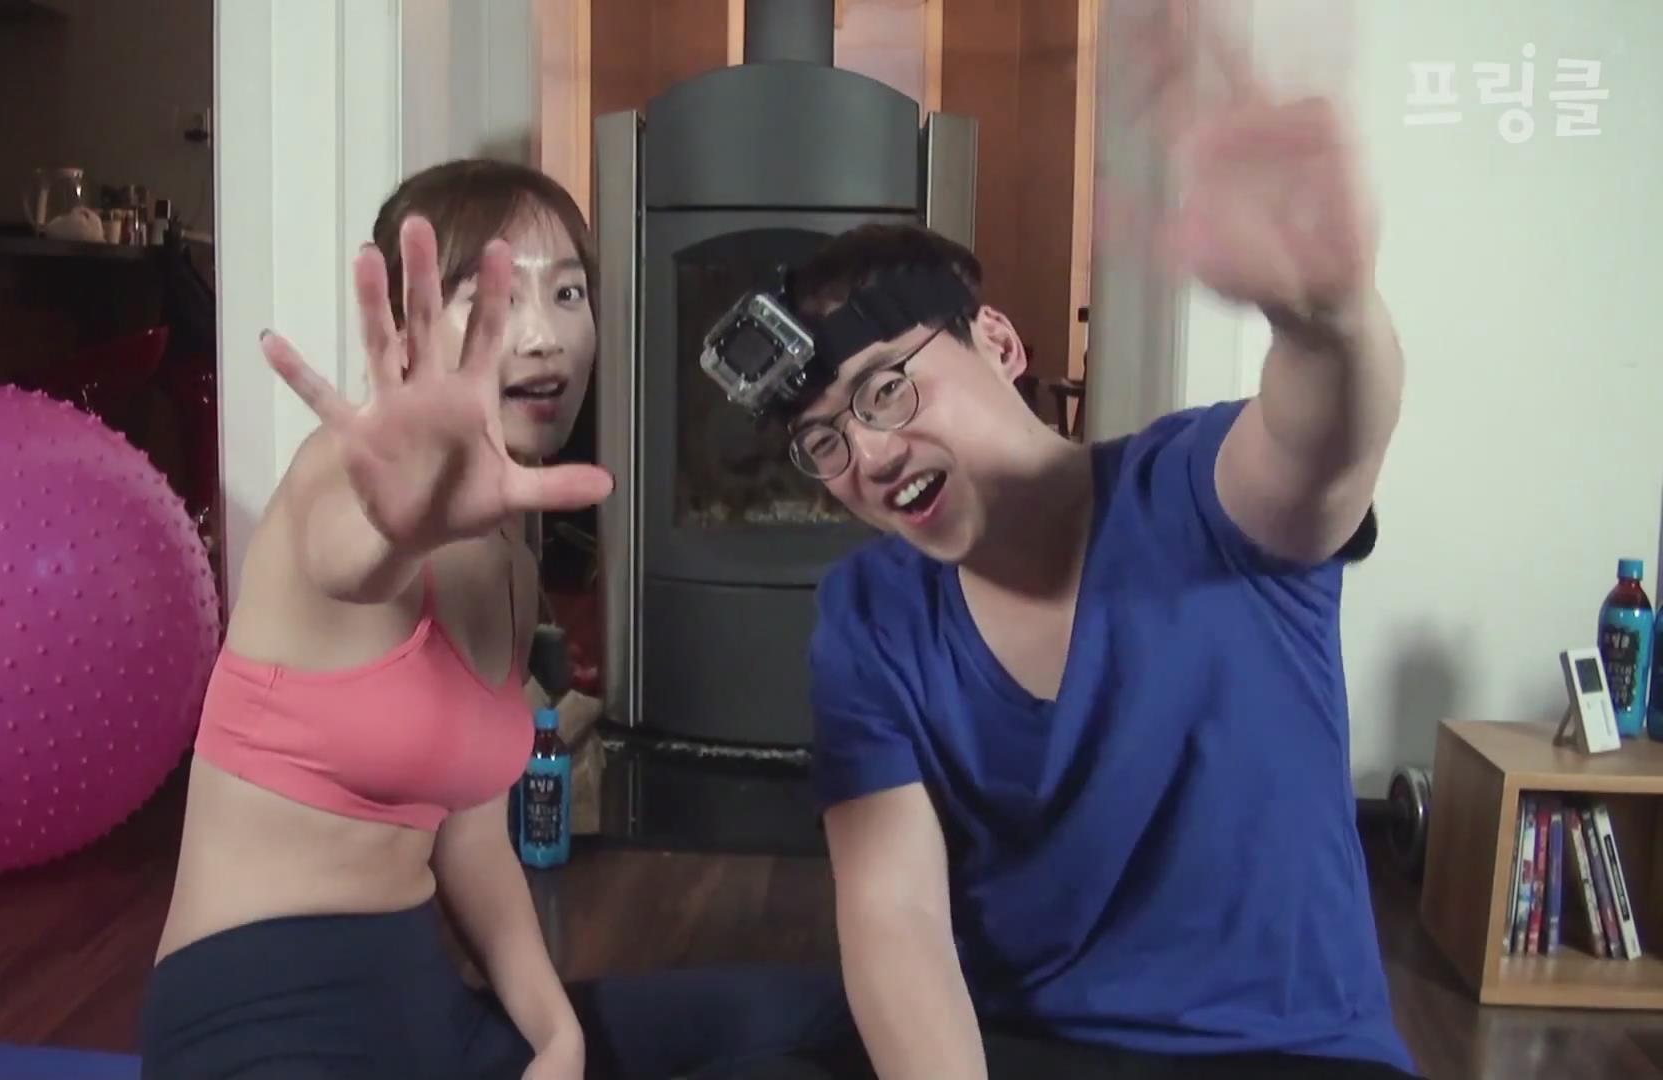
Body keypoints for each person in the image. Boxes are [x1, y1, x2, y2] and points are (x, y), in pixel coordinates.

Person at [692, 9, 1417, 1080]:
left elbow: (1321, 449)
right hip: (1016, 1048)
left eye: (886, 388)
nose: (869, 455)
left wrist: (1329, 318)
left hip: (1284, 1054)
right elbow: (896, 918)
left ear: (995, 341)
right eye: (824, 441)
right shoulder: (872, 611)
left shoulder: (1197, 493)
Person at [141, 159, 863, 1080]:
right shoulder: (340, 474)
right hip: (256, 1029)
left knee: (830, 1017)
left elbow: (472, 835)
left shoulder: (512, 559)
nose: (543, 336)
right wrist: (396, 526)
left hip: (428, 1019)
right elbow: (352, 559)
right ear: (408, 333)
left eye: (567, 294)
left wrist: (557, 1034)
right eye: (491, 297)